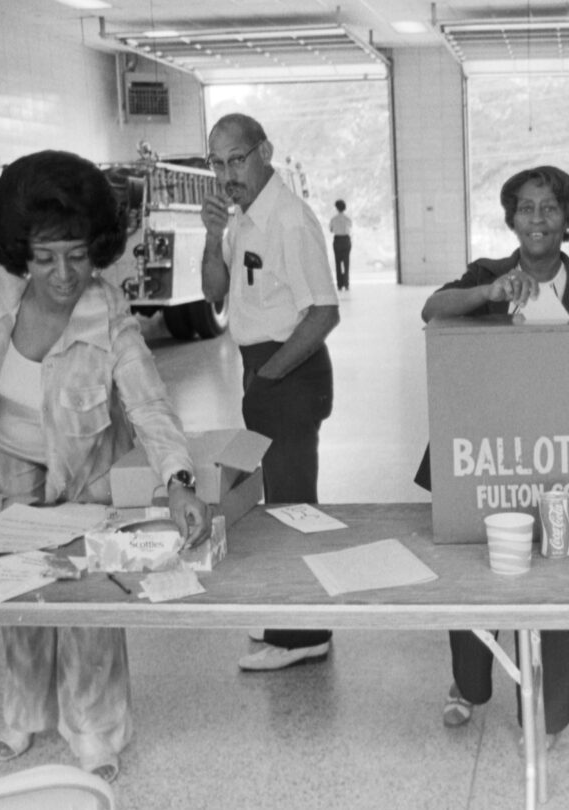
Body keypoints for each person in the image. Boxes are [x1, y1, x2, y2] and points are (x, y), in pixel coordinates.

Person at [0, 150, 210, 784]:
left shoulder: (108, 313)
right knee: (18, 590)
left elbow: (148, 403)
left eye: (77, 256)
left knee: (85, 599)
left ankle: (96, 730)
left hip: (85, 469)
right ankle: (24, 712)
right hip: (6, 464)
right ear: (20, 249)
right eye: (45, 257)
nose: (62, 274)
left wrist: (179, 480)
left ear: (98, 250)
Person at [420, 165, 569, 750]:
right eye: (526, 207)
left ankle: (549, 710)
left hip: (561, 461)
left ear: (568, 221)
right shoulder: (485, 277)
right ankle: (468, 684)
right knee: (472, 573)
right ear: (511, 218)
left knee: (561, 577)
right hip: (480, 454)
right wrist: (489, 294)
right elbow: (431, 309)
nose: (537, 218)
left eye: (550, 208)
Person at [200, 113, 340, 671]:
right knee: (280, 502)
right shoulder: (240, 220)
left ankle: (303, 634)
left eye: (236, 159)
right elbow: (215, 294)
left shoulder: (288, 219)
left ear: (265, 152)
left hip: (290, 371)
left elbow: (323, 313)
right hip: (262, 370)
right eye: (217, 163)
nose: (227, 173)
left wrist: (271, 377)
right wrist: (213, 239)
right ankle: (292, 618)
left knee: (293, 505)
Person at [329, 199, 352, 291]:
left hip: (337, 240)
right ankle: (346, 283)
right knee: (346, 263)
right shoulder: (347, 219)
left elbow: (331, 230)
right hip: (346, 240)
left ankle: (339, 284)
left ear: (336, 208)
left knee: (338, 263)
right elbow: (350, 227)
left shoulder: (333, 219)